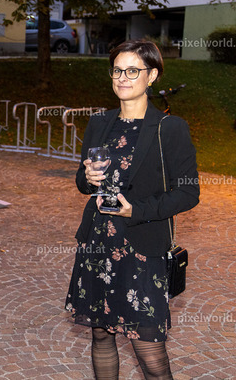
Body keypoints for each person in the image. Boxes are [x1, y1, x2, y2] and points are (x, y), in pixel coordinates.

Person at [65, 40, 200, 379]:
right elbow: (83, 181)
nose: (122, 77)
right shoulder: (100, 122)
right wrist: (88, 178)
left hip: (142, 249)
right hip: (98, 244)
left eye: (132, 70)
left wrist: (135, 210)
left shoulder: (169, 128)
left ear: (151, 75)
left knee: (151, 354)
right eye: (117, 70)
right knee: (101, 336)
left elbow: (189, 193)